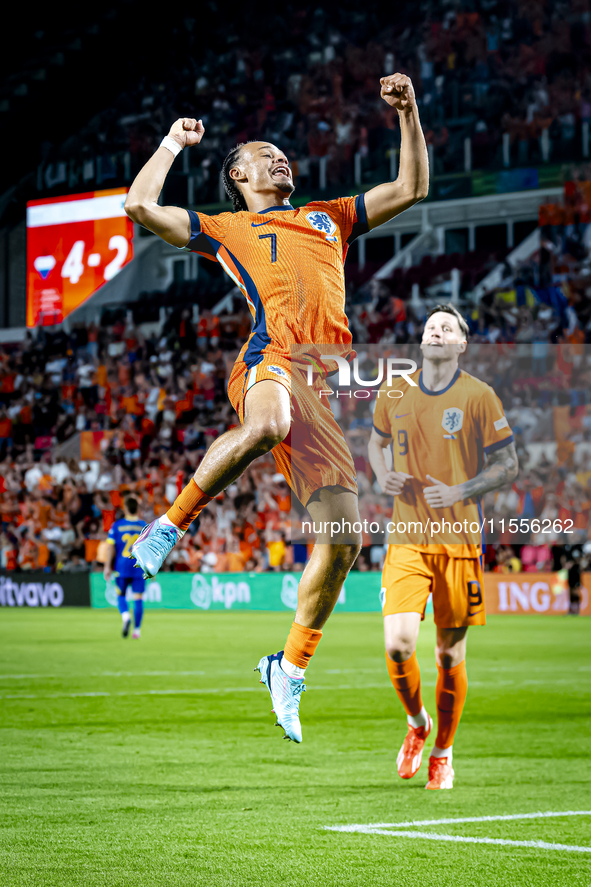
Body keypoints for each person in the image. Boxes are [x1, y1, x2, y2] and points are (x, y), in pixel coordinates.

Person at [124, 73, 429, 742]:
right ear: (238, 175)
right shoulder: (224, 226)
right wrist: (173, 143)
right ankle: (167, 528)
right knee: (266, 424)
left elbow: (410, 189)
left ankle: (286, 668)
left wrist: (407, 112)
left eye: (280, 152)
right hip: (268, 361)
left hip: (319, 386)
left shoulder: (329, 214)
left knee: (343, 542)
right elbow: (140, 205)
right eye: (263, 154)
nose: (277, 157)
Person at [368, 304, 519, 788]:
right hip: (407, 537)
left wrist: (460, 490)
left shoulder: (479, 396)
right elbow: (375, 442)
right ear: (423, 340)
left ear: (460, 344)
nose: (436, 331)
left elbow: (508, 465)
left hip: (458, 540)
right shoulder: (395, 389)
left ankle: (444, 751)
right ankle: (417, 725)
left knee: (449, 657)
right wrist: (380, 474)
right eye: (431, 325)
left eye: (446, 327)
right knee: (397, 645)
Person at [103, 497, 147, 639]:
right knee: (138, 598)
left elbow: (110, 547)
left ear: (125, 508)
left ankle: (126, 617)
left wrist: (107, 566)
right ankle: (137, 631)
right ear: (137, 509)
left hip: (121, 566)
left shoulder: (117, 525)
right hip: (138, 566)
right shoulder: (144, 526)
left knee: (120, 595)